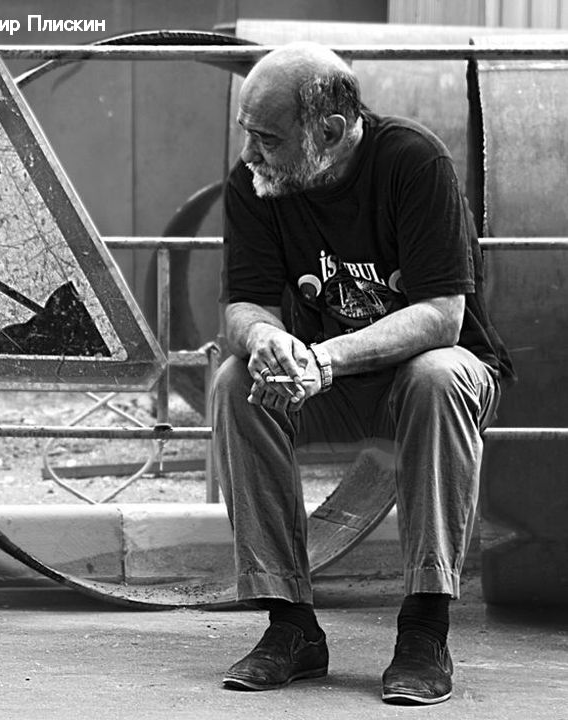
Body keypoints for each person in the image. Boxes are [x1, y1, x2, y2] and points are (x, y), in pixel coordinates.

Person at [212, 42, 513, 705]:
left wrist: (325, 357)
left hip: (424, 382)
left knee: (438, 374)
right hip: (330, 384)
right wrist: (265, 339)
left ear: (329, 130)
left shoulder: (412, 161)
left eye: (267, 137)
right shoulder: (256, 183)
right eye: (247, 134)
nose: (249, 155)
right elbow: (245, 302)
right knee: (236, 385)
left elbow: (440, 315)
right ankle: (289, 626)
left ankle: (424, 630)